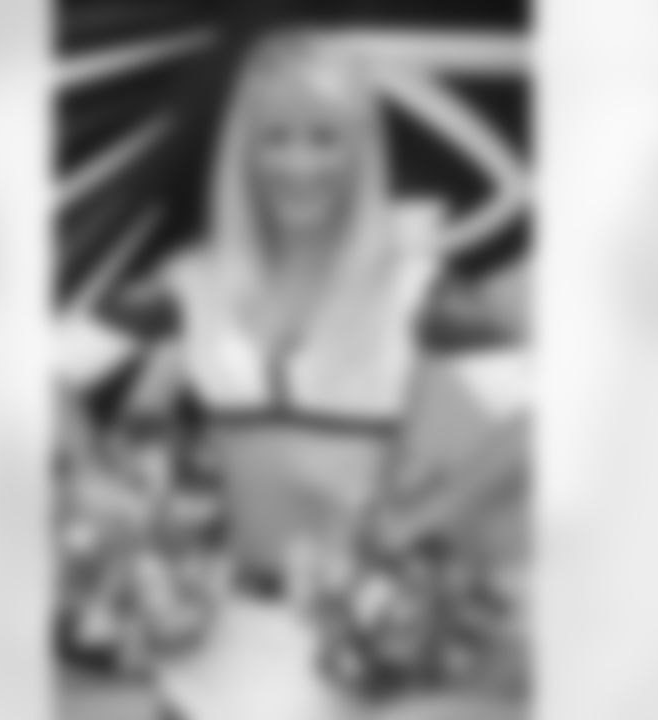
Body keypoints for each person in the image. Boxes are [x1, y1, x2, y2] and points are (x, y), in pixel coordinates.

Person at [60, 30, 530, 720]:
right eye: (274, 139)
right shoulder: (192, 283)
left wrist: (429, 517)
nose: (298, 164)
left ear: (361, 151)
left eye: (324, 138)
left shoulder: (416, 289)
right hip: (208, 648)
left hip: (345, 654)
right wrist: (96, 480)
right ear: (243, 153)